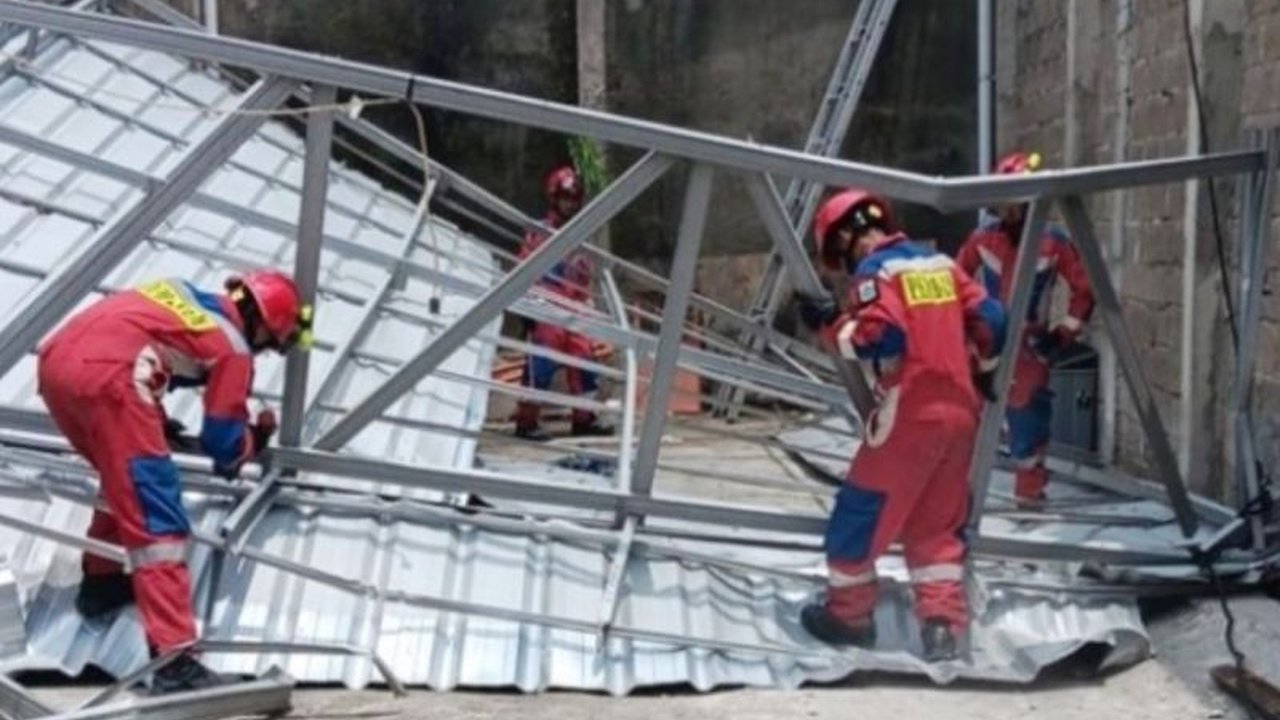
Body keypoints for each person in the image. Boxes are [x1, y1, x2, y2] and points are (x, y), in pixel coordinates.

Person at [37, 270, 311, 694]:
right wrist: (253, 439)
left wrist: (156, 420)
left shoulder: (179, 291)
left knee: (121, 475)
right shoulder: (234, 348)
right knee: (158, 519)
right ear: (261, 327)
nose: (265, 352)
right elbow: (221, 443)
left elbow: (132, 337)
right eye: (271, 345)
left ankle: (103, 582)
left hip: (56, 366)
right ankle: (175, 661)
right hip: (111, 382)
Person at [796, 189, 1006, 662]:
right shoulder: (942, 265)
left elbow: (881, 334)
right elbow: (993, 316)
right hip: (961, 414)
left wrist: (832, 325)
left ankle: (849, 618)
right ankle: (941, 630)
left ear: (847, 239)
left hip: (910, 412)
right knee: (935, 527)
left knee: (859, 514)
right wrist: (986, 369)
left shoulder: (876, 271)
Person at [956, 151, 1095, 508]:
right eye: (1002, 204)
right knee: (965, 415)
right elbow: (953, 279)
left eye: (1013, 204)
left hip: (1029, 348)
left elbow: (1084, 291)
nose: (1007, 212)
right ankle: (956, 497)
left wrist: (1062, 334)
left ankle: (1029, 497)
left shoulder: (1054, 242)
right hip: (984, 341)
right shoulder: (983, 238)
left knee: (1027, 422)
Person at [513, 165, 613, 441]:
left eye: (574, 198)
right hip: (547, 307)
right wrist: (528, 308)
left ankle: (585, 418)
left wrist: (588, 303)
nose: (570, 204)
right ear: (554, 197)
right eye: (566, 198)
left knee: (585, 364)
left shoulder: (581, 235)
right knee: (541, 365)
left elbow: (585, 273)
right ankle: (527, 421)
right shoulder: (539, 232)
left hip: (575, 308)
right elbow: (523, 267)